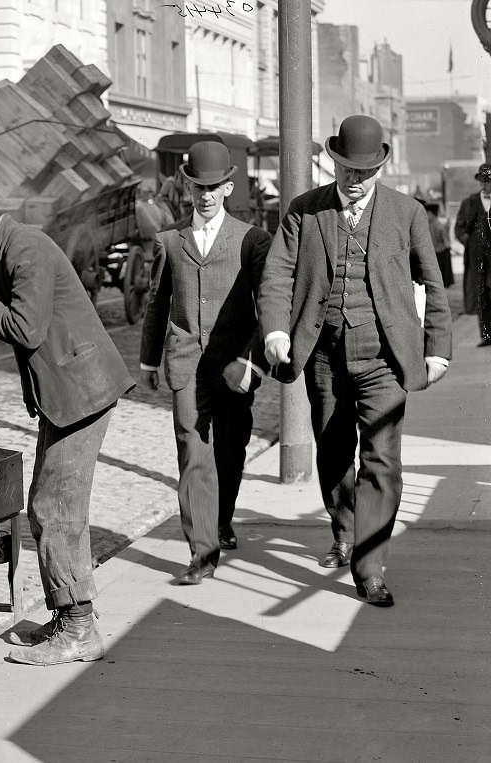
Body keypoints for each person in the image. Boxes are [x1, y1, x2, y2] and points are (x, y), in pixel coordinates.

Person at [259, 115, 452, 607]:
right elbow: (277, 273)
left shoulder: (406, 213)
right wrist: (277, 330)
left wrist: (437, 349)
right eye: (346, 168)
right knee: (332, 451)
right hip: (323, 354)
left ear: (379, 168)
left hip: (385, 357)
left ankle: (369, 567)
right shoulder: (306, 211)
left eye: (364, 171)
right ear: (334, 162)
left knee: (382, 461)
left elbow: (433, 283)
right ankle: (344, 529)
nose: (354, 178)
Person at [0, 194, 134, 666]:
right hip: (69, 393)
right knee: (51, 502)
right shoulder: (10, 250)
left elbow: (26, 330)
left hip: (82, 391)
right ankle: (70, 615)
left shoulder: (24, 248)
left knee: (54, 506)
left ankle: (78, 629)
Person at [139, 141, 272, 584]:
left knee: (231, 450)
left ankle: (221, 519)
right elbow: (158, 304)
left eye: (214, 187)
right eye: (199, 187)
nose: (206, 195)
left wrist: (252, 361)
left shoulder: (252, 239)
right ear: (187, 185)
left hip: (233, 365)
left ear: (229, 187)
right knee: (193, 454)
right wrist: (147, 361)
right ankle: (202, 554)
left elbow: (267, 305)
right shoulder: (169, 240)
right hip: (185, 365)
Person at [453, 163, 491, 346]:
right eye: (483, 181)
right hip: (477, 259)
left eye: (489, 181)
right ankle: (486, 335)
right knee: (481, 295)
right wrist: (469, 242)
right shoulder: (470, 202)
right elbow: (459, 228)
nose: (485, 185)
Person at [424, 201, 454, 288]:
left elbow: (445, 241)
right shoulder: (430, 225)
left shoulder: (439, 226)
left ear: (432, 214)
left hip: (441, 251)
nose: (426, 216)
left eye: (427, 213)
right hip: (434, 251)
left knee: (442, 271)